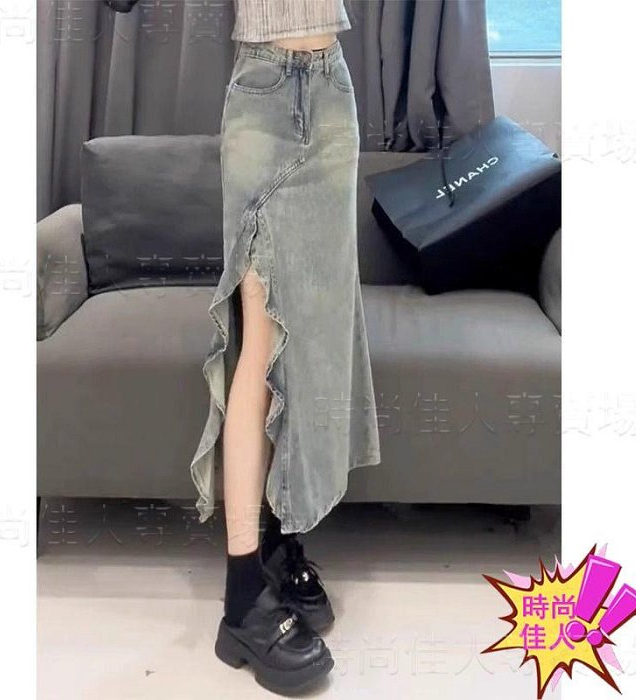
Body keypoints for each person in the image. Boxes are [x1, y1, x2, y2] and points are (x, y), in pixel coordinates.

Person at [189, 1, 382, 693]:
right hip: (264, 95)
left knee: (316, 337)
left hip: (332, 88)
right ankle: (243, 596)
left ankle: (278, 539)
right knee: (262, 339)